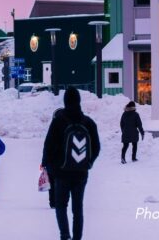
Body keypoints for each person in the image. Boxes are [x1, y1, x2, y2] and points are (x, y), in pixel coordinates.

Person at [42, 87, 101, 240]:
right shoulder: (88, 122)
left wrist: (52, 165)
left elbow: (49, 145)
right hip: (81, 172)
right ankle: (77, 238)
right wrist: (88, 163)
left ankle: (65, 235)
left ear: (65, 101)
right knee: (78, 208)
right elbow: (96, 147)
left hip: (61, 172)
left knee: (61, 206)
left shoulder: (58, 121)